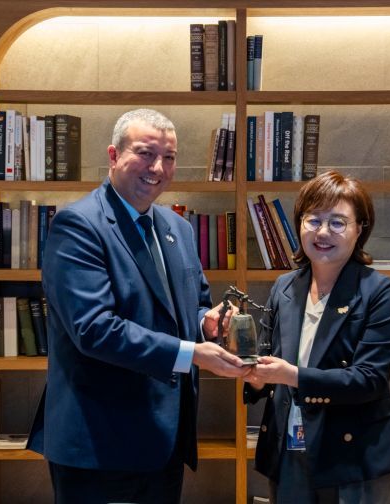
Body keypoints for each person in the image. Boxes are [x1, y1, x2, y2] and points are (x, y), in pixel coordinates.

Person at [28, 108, 250, 503]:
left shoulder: (177, 227)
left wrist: (206, 324)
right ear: (114, 155)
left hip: (165, 441)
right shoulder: (78, 225)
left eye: (169, 157)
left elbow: (192, 306)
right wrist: (191, 353)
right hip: (101, 444)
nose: (158, 168)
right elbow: (94, 329)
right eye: (146, 153)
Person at [243, 170, 390, 504]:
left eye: (337, 222)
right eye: (313, 220)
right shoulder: (284, 287)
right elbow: (266, 359)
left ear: (359, 229)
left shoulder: (378, 291)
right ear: (299, 224)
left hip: (354, 456)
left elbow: (369, 379)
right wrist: (253, 374)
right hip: (290, 450)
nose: (322, 232)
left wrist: (291, 375)